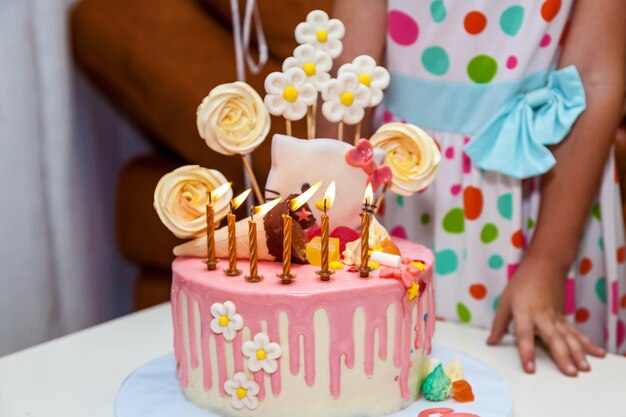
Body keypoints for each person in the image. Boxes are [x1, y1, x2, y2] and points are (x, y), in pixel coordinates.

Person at [330, 0, 626, 376]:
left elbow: (595, 78)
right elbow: (345, 72)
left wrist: (548, 263)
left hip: (548, 197)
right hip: (405, 180)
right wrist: (333, 215)